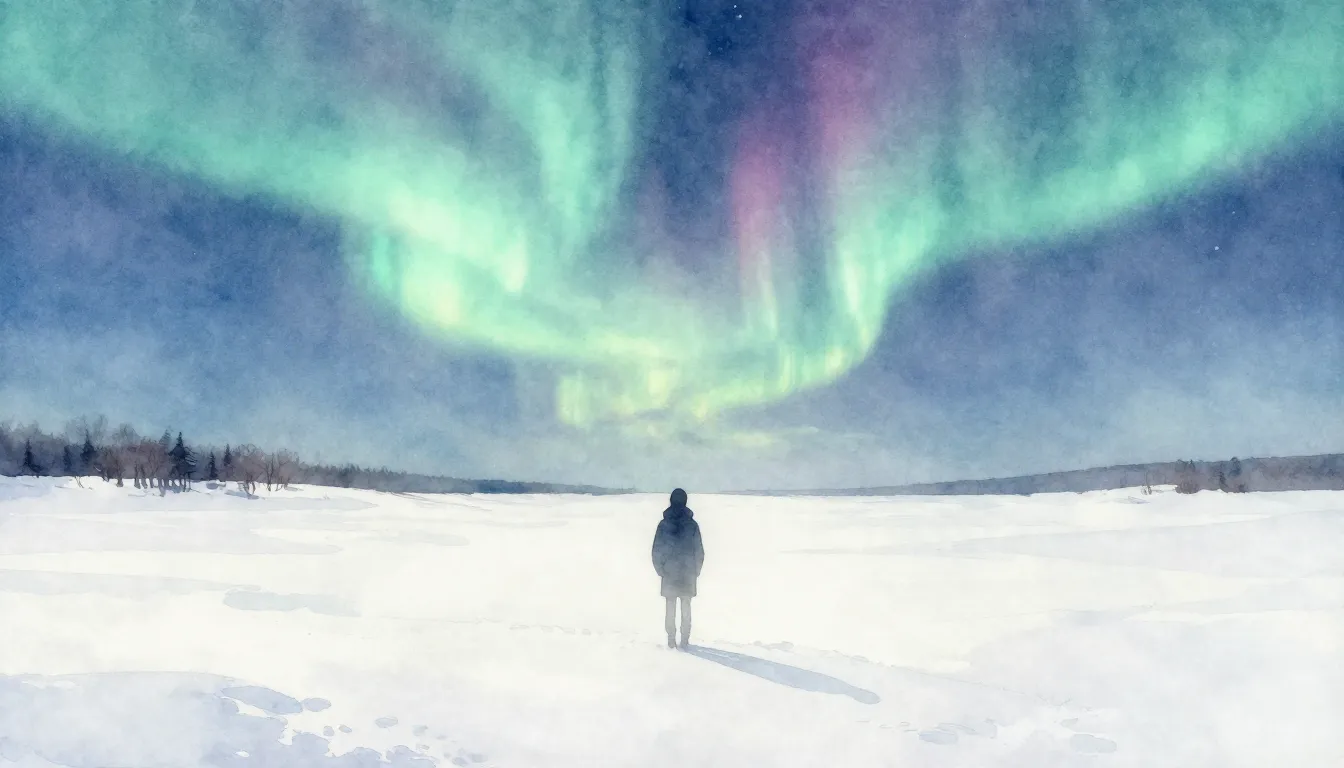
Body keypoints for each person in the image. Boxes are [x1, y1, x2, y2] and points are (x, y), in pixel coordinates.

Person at [651, 487, 704, 649]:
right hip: (687, 573)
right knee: (685, 606)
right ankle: (684, 640)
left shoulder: (664, 524)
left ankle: (671, 639)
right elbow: (699, 551)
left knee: (671, 606)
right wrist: (696, 570)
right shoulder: (692, 525)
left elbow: (656, 550)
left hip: (670, 573)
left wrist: (661, 569)